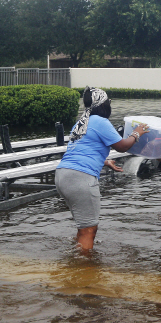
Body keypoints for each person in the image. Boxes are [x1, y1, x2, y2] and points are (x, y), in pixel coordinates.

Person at [55, 86, 149, 252]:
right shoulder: (100, 121)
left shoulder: (81, 122)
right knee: (89, 229)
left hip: (63, 175)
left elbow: (80, 150)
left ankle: (76, 258)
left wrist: (104, 162)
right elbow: (122, 146)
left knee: (83, 226)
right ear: (103, 104)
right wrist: (137, 133)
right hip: (81, 178)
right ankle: (85, 271)